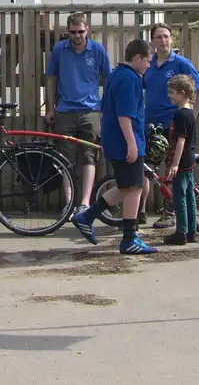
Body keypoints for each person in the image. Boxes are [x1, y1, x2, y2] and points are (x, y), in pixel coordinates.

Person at [70, 39, 154, 255]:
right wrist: (132, 144)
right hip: (125, 140)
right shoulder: (130, 79)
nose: (148, 66)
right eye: (147, 61)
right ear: (137, 58)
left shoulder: (117, 73)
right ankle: (128, 239)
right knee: (134, 187)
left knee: (129, 186)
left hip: (115, 139)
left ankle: (87, 217)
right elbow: (124, 115)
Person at [142, 23, 199, 232]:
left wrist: (191, 116)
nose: (163, 41)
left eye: (166, 36)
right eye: (159, 37)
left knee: (172, 170)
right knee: (147, 170)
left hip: (173, 127)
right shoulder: (148, 65)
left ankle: (170, 212)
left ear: (172, 39)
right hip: (150, 126)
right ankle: (139, 212)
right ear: (152, 41)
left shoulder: (180, 63)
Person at [43, 15, 109, 214]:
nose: (77, 36)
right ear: (67, 31)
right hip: (64, 110)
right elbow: (51, 79)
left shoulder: (97, 50)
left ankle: (85, 203)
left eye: (81, 31)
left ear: (87, 29)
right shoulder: (59, 50)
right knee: (65, 158)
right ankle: (69, 203)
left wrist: (104, 107)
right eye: (73, 32)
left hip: (91, 110)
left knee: (90, 157)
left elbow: (108, 78)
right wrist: (51, 108)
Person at [160, 75, 198, 246]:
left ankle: (180, 232)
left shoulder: (180, 115)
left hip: (182, 162)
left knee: (180, 197)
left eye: (172, 93)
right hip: (190, 160)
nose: (169, 96)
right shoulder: (190, 112)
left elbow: (181, 140)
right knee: (190, 196)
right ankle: (192, 231)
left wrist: (174, 164)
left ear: (182, 93)